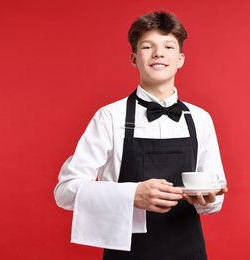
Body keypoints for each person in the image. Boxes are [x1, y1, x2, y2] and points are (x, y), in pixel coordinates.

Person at [54, 10, 228, 260]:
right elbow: (65, 191)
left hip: (189, 252)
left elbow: (213, 203)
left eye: (168, 46)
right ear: (134, 58)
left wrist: (206, 200)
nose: (158, 53)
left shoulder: (201, 119)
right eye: (148, 46)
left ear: (180, 59)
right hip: (126, 254)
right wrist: (132, 194)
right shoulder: (109, 117)